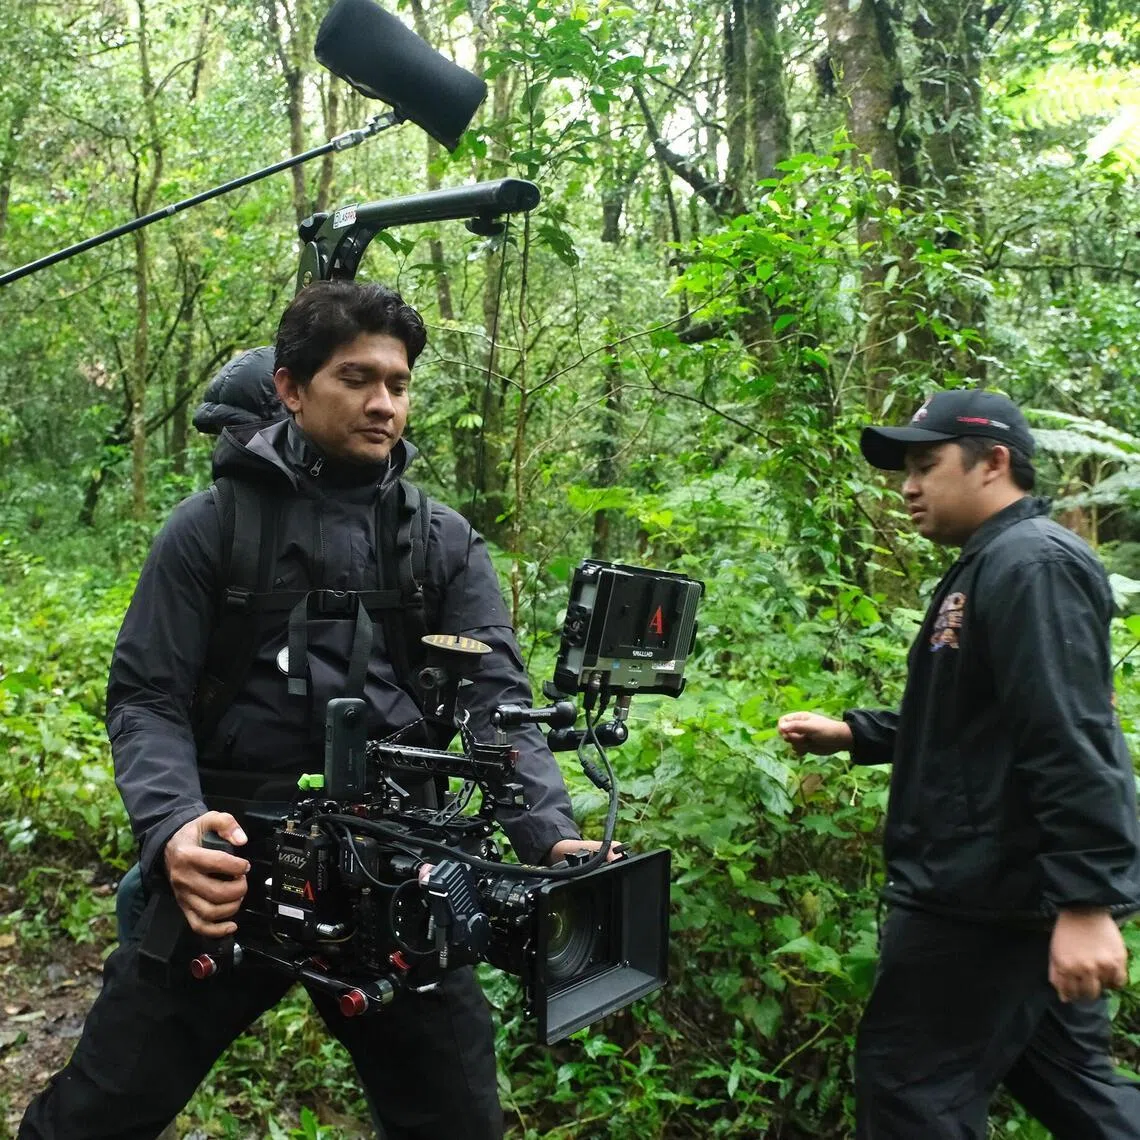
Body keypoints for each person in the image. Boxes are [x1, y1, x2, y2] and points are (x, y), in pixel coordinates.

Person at [20, 280, 614, 1140]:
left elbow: (497, 704)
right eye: (356, 378)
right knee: (100, 1112)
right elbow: (147, 697)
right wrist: (174, 826)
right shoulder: (208, 529)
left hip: (399, 875)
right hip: (232, 867)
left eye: (398, 384)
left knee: (456, 1121)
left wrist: (549, 836)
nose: (383, 404)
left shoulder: (442, 541)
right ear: (291, 389)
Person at [777, 389, 1140, 1140]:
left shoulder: (1031, 564)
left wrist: (1087, 904)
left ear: (993, 462)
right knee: (1080, 1093)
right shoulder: (992, 561)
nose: (908, 487)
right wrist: (856, 734)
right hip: (1000, 898)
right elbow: (978, 718)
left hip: (984, 905)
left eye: (925, 466)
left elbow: (1070, 734)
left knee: (909, 1092)